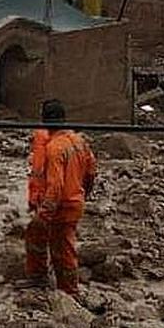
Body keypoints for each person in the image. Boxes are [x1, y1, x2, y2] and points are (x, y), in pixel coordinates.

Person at [25, 99, 96, 295]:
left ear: (45, 121)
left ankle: (69, 292)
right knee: (38, 235)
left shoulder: (54, 148)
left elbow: (56, 185)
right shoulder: (80, 141)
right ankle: (40, 278)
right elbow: (91, 173)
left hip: (60, 206)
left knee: (63, 249)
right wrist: (83, 194)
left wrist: (45, 212)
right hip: (74, 201)